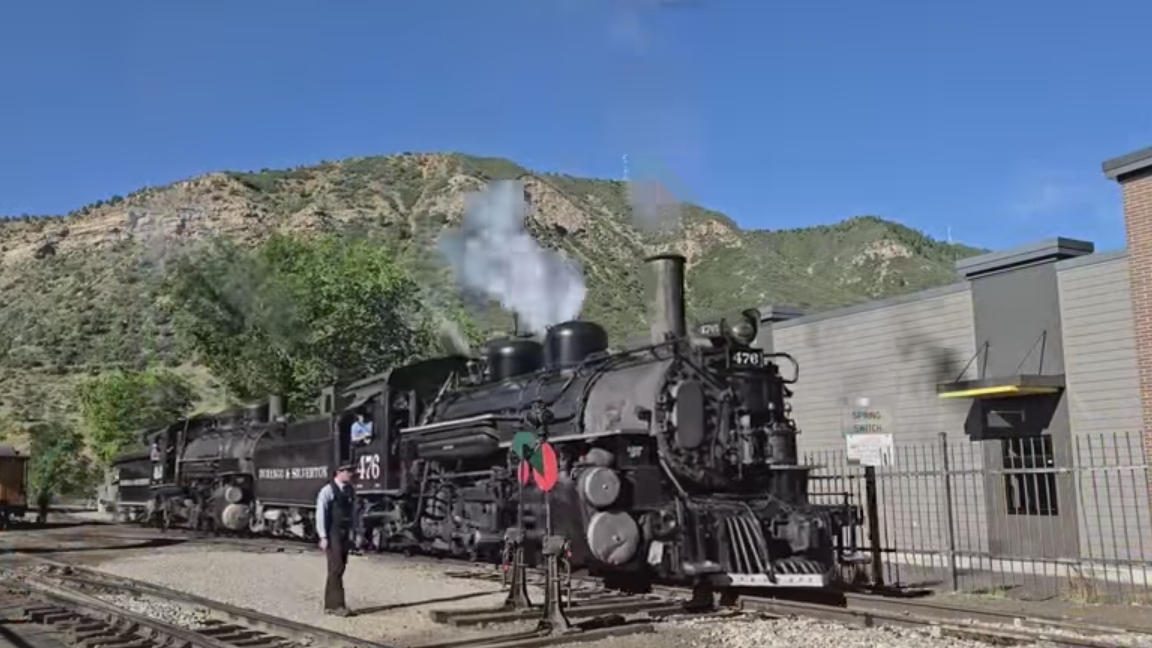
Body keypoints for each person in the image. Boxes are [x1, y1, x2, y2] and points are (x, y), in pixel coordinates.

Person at [315, 463, 357, 616]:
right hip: (333, 533)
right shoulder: (327, 491)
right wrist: (323, 536)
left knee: (340, 567)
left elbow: (353, 513)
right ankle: (336, 605)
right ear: (340, 472)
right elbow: (321, 514)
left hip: (344, 533)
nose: (352, 474)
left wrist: (354, 531)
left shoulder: (350, 490)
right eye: (349, 471)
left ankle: (332, 604)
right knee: (336, 567)